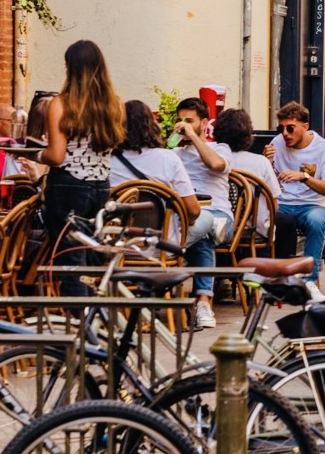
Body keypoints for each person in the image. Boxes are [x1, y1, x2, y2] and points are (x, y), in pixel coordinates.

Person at [33, 41, 125, 258]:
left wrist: (35, 153)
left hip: (68, 187)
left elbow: (56, 156)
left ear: (71, 68)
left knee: (71, 261)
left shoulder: (61, 104)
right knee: (91, 259)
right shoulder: (116, 104)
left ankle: (74, 293)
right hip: (101, 187)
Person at [171, 97, 234, 329]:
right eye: (180, 121)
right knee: (202, 230)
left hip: (220, 217)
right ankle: (203, 302)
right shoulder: (174, 154)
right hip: (187, 216)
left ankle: (170, 254)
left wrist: (194, 137)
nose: (183, 125)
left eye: (189, 120)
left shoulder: (220, 148)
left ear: (204, 123)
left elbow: (216, 165)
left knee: (206, 227)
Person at [111, 99, 201, 244]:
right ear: (151, 126)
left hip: (117, 246)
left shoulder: (108, 162)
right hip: (162, 247)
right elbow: (193, 211)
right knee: (207, 223)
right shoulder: (169, 159)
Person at [266, 101, 325, 278]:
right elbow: (267, 180)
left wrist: (305, 177)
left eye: (290, 128)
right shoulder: (277, 143)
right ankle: (268, 277)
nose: (285, 134)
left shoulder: (324, 148)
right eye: (281, 128)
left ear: (305, 126)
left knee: (316, 221)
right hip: (282, 203)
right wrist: (265, 162)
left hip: (312, 205)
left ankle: (309, 281)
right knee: (260, 218)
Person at [217, 108, 279, 250]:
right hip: (253, 231)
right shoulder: (260, 162)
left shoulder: (214, 162)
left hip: (219, 230)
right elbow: (274, 205)